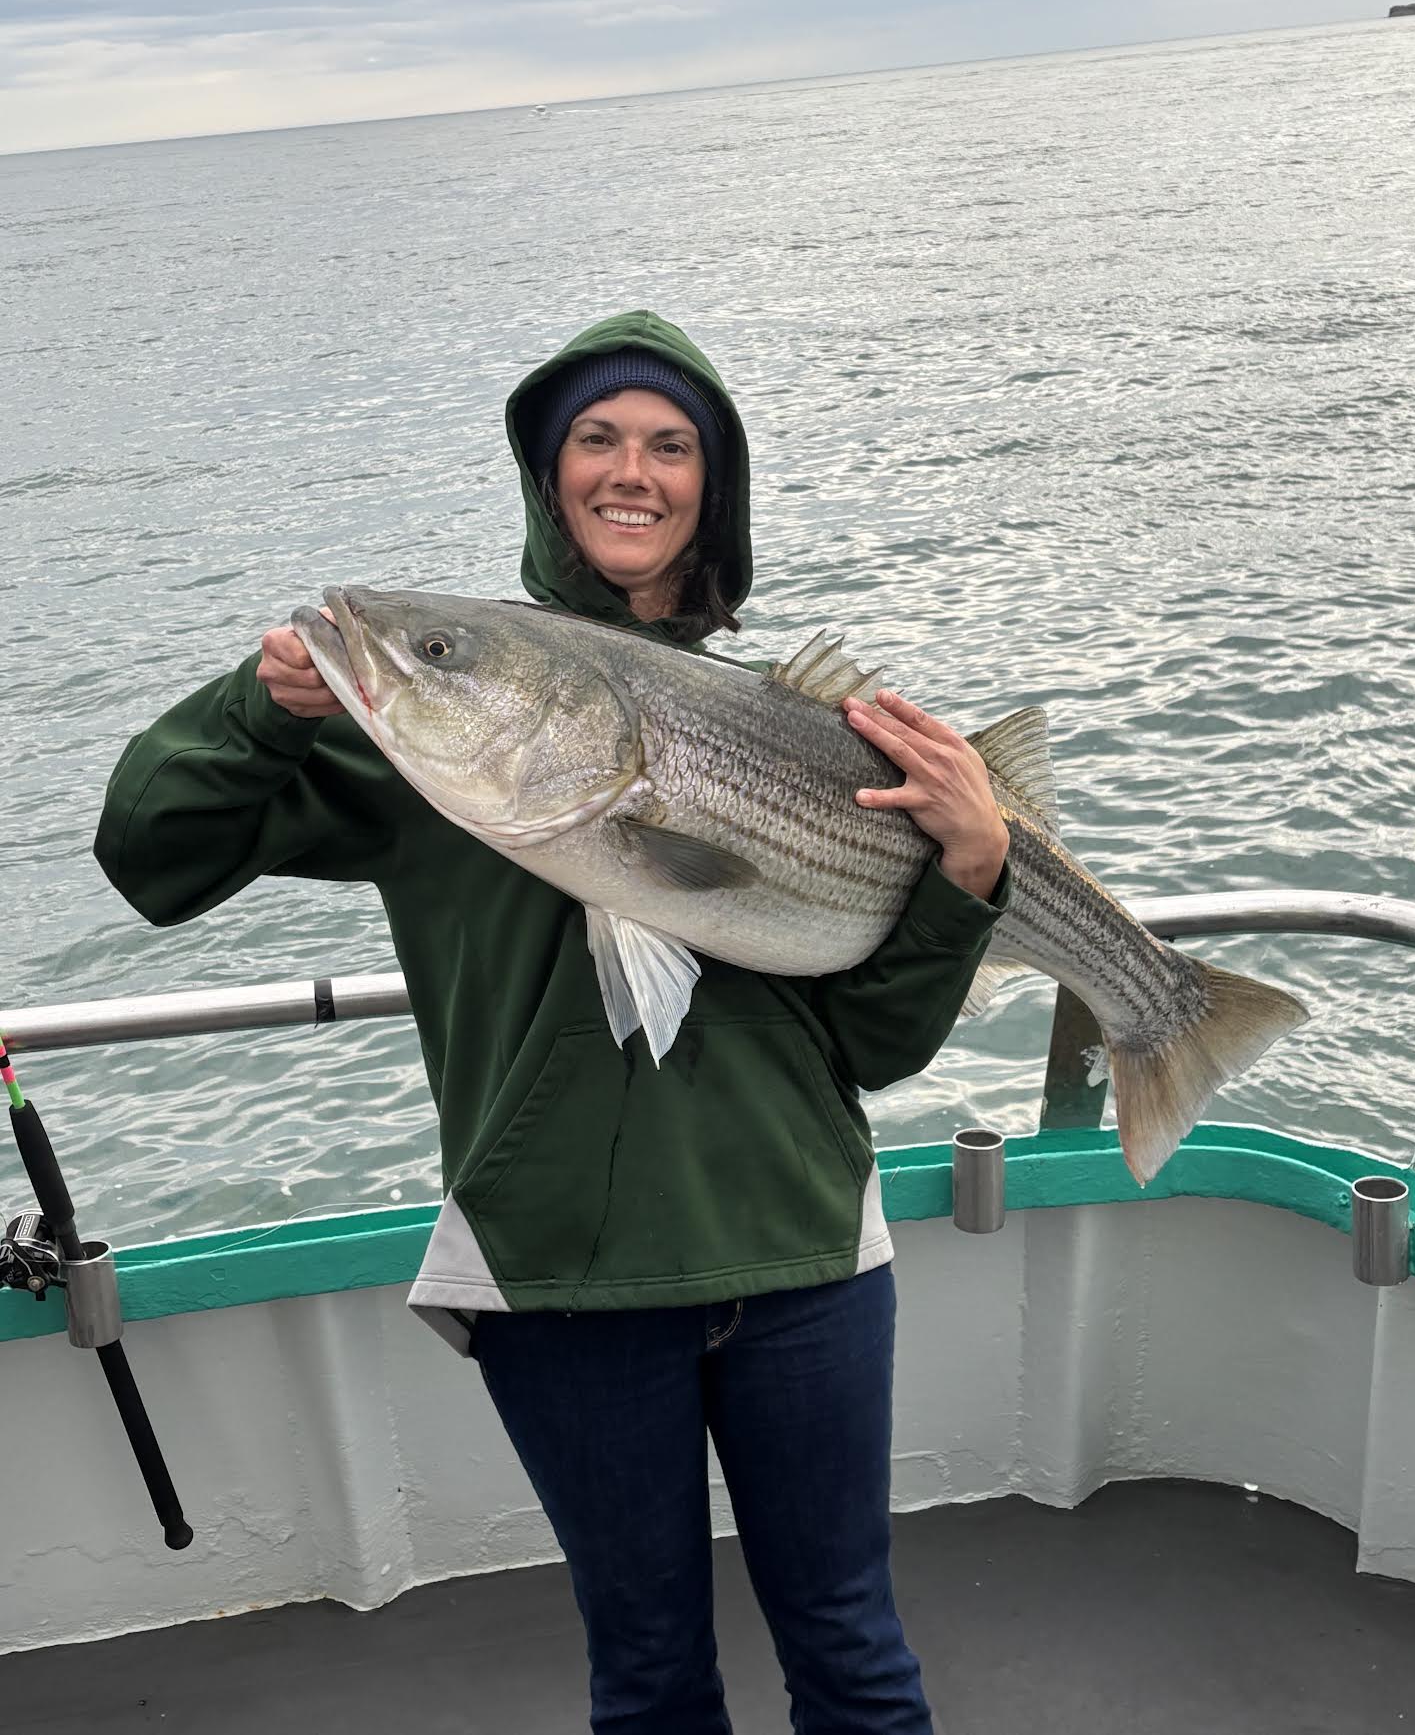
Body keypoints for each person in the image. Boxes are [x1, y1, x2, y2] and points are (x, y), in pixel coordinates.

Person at [95, 310, 1010, 1735]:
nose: (630, 470)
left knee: (854, 1653)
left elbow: (877, 1048)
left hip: (806, 1253)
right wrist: (262, 711)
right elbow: (149, 855)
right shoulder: (420, 733)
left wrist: (975, 868)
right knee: (647, 1675)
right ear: (547, 473)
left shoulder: (803, 742)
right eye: (596, 437)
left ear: (713, 485)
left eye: (670, 444)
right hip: (561, 1275)